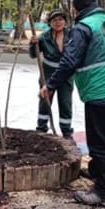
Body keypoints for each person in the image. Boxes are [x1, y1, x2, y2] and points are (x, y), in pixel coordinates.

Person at [40, 0, 105, 207]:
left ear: (75, 9)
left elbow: (70, 60)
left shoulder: (84, 27)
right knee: (100, 136)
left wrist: (50, 85)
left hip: (101, 90)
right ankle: (97, 171)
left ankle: (104, 192)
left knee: (98, 142)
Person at [29, 9, 74, 139]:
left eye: (60, 19)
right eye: (54, 20)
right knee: (45, 100)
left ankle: (66, 132)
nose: (58, 22)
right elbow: (33, 55)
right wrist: (33, 44)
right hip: (48, 74)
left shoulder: (71, 35)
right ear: (50, 22)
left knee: (65, 102)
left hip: (66, 75)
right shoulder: (44, 37)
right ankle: (41, 129)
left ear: (65, 21)